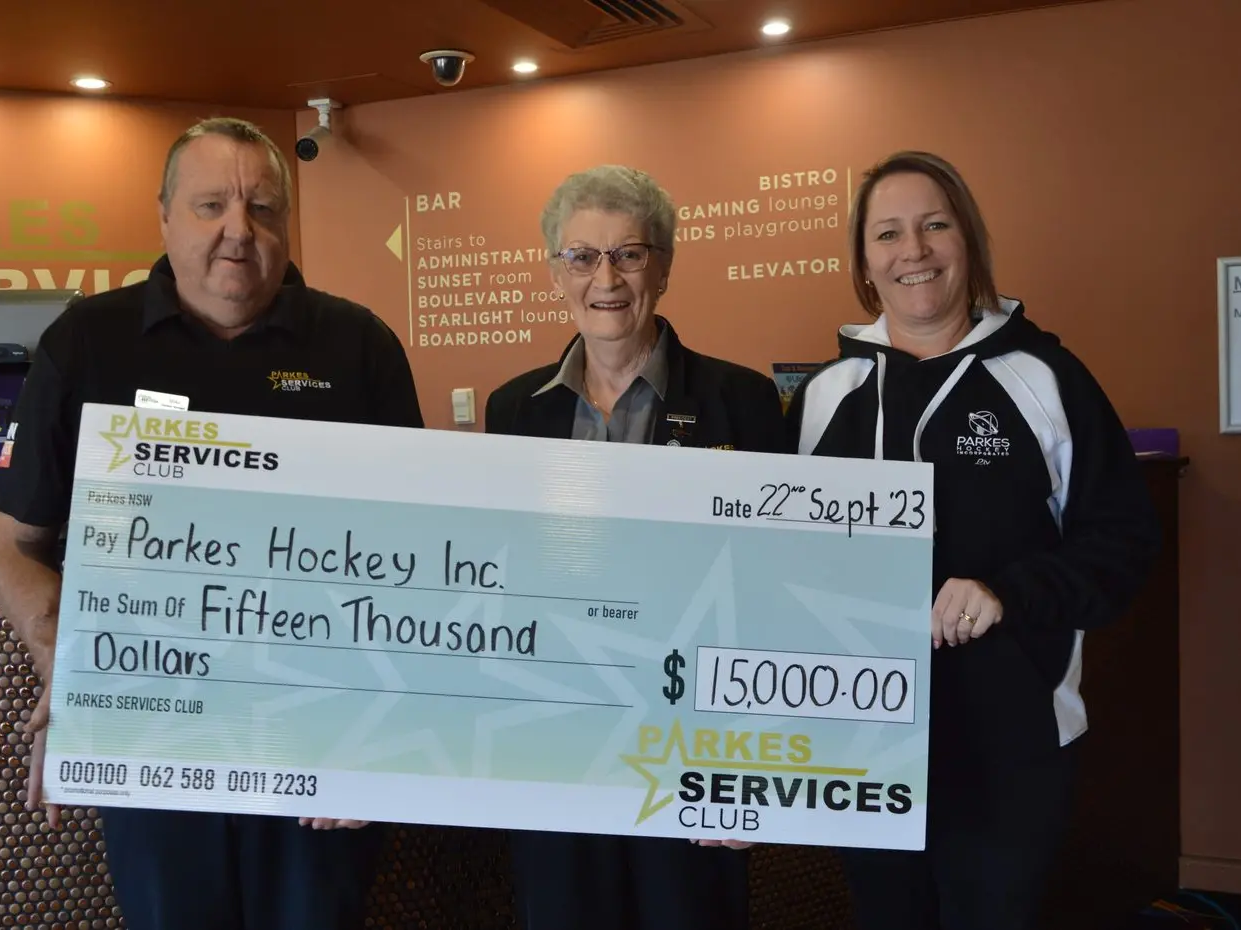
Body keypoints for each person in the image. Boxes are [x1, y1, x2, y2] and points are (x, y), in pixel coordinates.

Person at [0, 116, 423, 930]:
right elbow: (10, 539)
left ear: (288, 225)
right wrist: (73, 663)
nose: (237, 231)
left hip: (319, 738)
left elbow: (418, 559)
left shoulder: (359, 347)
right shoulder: (87, 342)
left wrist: (379, 724)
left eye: (261, 209)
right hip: (151, 732)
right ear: (163, 216)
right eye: (211, 205)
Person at [785, 150, 1160, 930]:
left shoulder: (1045, 378)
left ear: (968, 240)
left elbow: (1121, 542)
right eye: (886, 234)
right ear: (863, 262)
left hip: (1010, 741)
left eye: (933, 226)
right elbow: (775, 564)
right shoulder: (824, 396)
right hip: (866, 743)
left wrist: (1005, 592)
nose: (911, 251)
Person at [484, 164, 786, 930]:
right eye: (581, 256)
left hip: (692, 743)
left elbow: (773, 590)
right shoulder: (514, 409)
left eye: (628, 253)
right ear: (555, 272)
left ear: (665, 266)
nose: (605, 278)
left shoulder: (742, 401)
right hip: (558, 744)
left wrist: (746, 761)